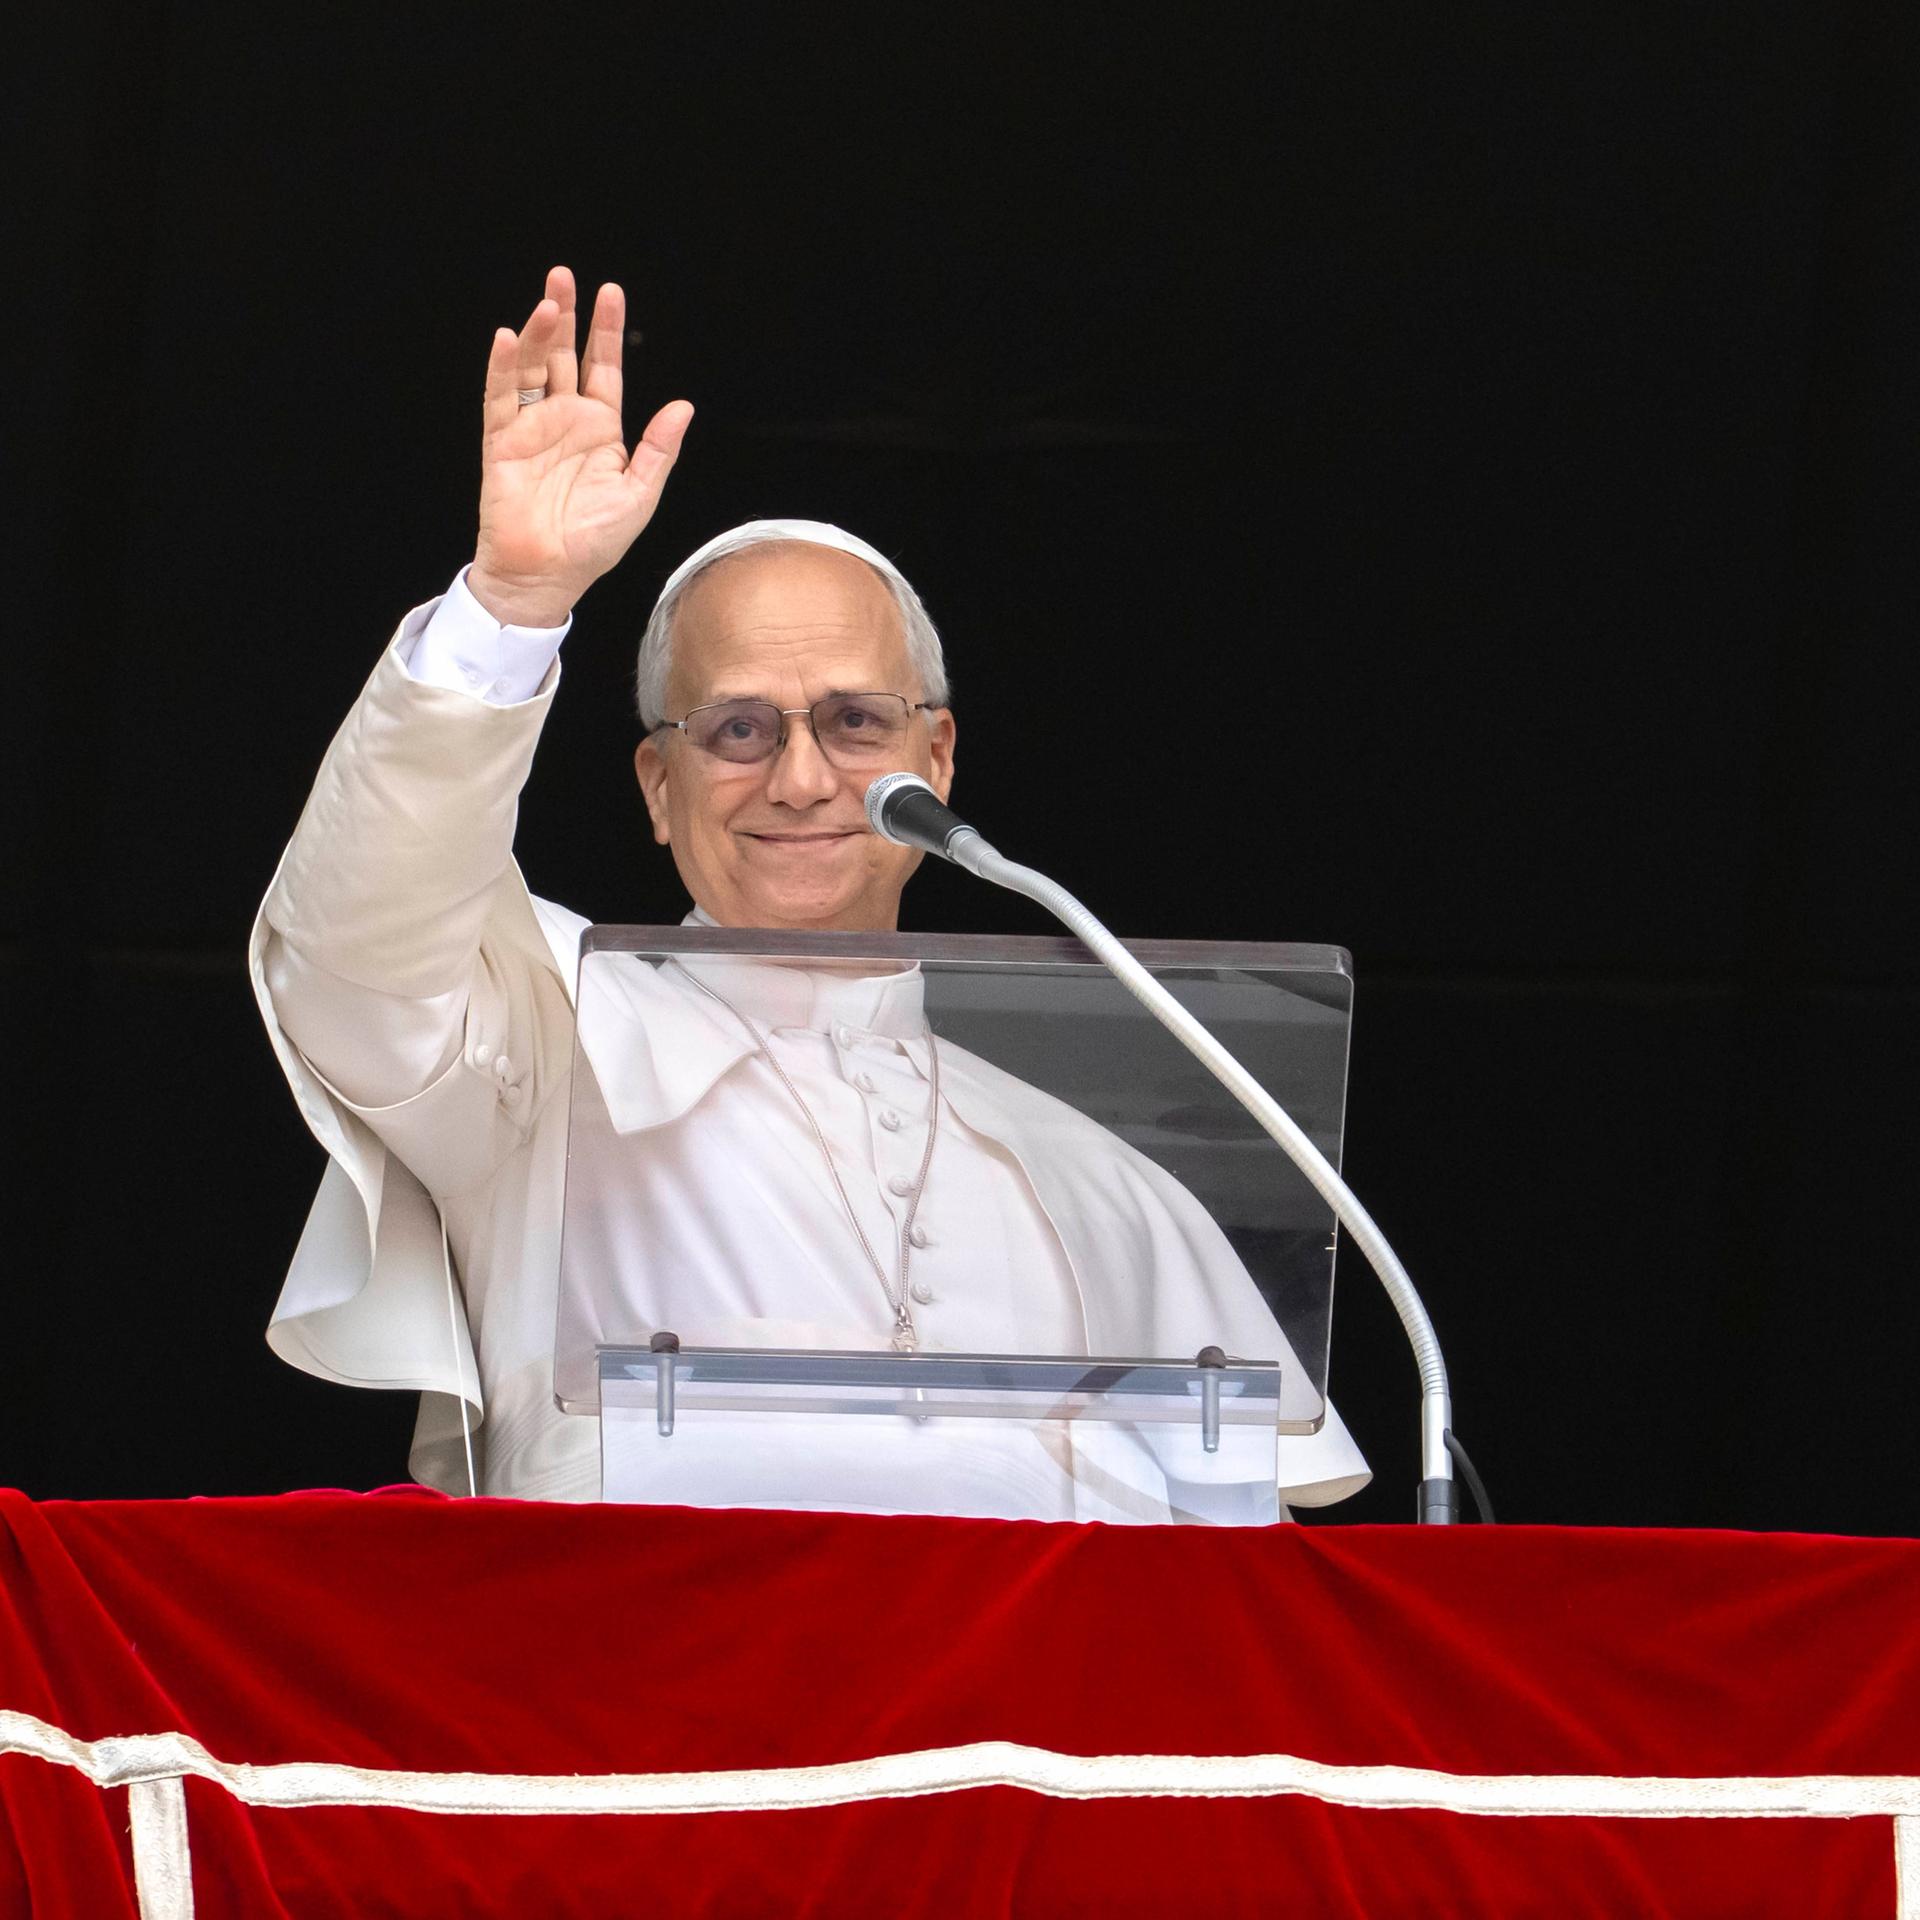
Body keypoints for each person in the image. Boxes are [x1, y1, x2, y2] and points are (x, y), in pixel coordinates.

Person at [252, 266, 1369, 1519]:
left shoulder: (1102, 1175)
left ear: (936, 759)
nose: (799, 779)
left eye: (854, 722)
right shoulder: (541, 1043)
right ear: (658, 785)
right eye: (737, 729)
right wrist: (510, 608)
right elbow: (356, 956)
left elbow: (1235, 1558)